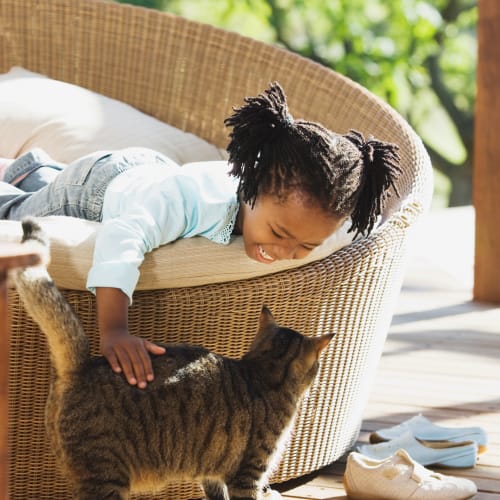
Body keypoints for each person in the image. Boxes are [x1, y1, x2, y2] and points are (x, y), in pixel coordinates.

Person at [0, 82, 401, 389]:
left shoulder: (287, 206)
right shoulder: (192, 204)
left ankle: (36, 171)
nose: (286, 251)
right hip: (99, 189)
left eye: (307, 246)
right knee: (19, 212)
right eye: (279, 233)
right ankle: (24, 179)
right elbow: (123, 236)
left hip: (153, 170)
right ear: (250, 189)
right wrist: (115, 331)